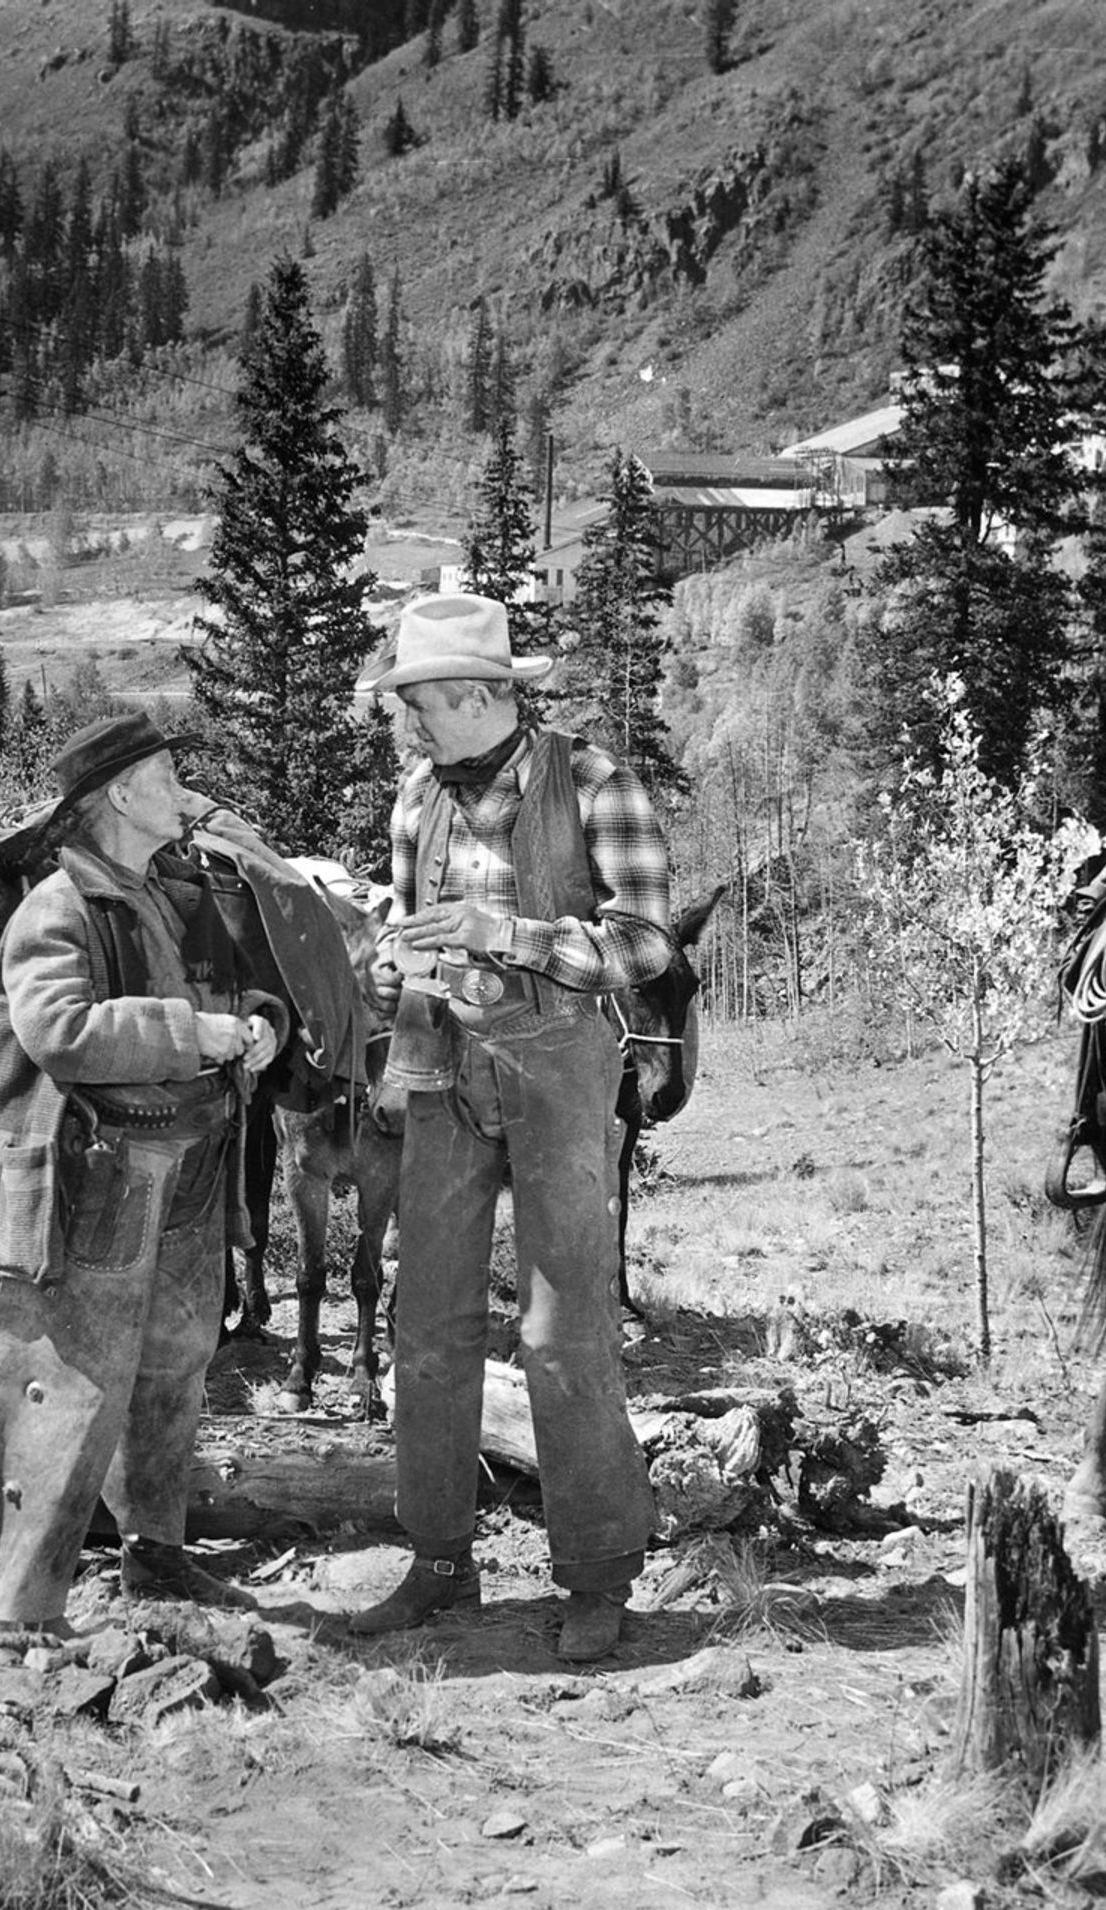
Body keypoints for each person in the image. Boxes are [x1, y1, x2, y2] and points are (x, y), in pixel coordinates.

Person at [348, 592, 678, 1664]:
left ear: (477, 695)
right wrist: (388, 965)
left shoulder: (596, 781)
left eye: (418, 703)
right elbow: (404, 927)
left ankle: (596, 1570)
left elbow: (645, 945)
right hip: (442, 1065)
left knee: (561, 1329)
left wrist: (511, 934)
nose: (407, 723)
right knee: (426, 1326)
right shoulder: (416, 798)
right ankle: (440, 1557)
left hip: (560, 1069)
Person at [0, 712, 286, 1632]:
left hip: (190, 1168)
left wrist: (257, 1023)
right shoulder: (58, 908)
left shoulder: (172, 895)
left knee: (175, 1364)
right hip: (99, 1181)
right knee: (65, 1381)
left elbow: (223, 993)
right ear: (121, 794)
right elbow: (61, 1032)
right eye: (167, 777)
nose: (184, 794)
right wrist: (194, 1034)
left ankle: (155, 1560)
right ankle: (9, 1605)